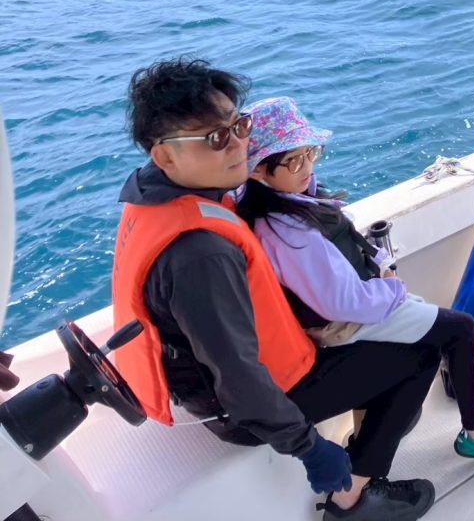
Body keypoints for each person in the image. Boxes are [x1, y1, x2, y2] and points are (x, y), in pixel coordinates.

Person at [111, 59, 440, 521]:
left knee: (373, 342)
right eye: (215, 138)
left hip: (235, 374)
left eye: (239, 125)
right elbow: (239, 379)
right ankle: (353, 497)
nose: (238, 145)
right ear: (165, 156)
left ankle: (368, 439)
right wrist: (310, 449)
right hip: (242, 409)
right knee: (419, 355)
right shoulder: (199, 255)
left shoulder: (159, 192)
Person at [234, 96, 474, 465]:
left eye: (310, 153)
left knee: (452, 331)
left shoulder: (295, 203)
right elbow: (339, 302)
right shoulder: (286, 231)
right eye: (293, 161)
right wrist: (391, 289)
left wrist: (384, 272)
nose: (307, 166)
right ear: (258, 172)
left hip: (364, 305)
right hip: (349, 322)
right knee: (460, 328)